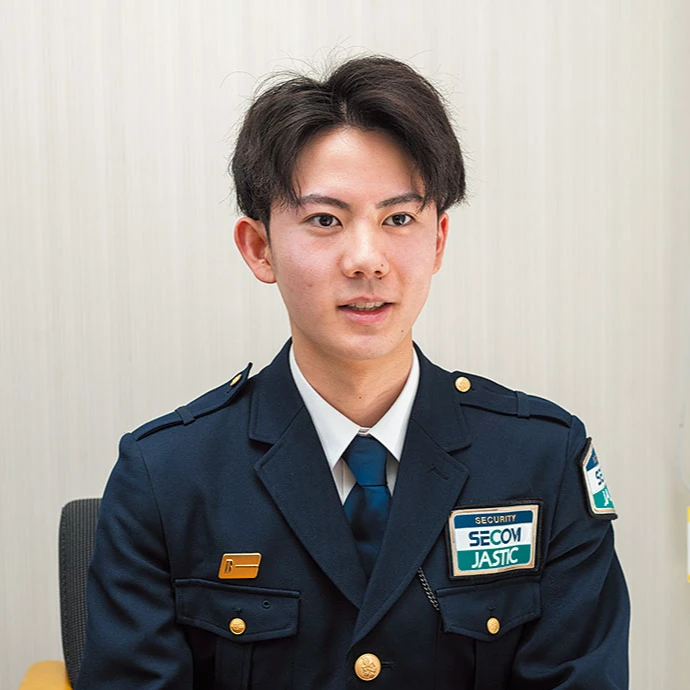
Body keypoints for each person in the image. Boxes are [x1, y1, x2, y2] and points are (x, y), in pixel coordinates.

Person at [77, 56, 629, 689]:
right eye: (325, 220)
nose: (367, 260)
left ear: (438, 241)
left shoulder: (543, 461)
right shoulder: (166, 477)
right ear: (259, 248)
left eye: (399, 219)